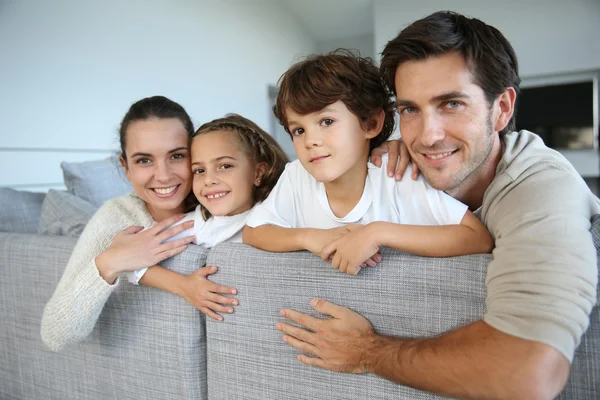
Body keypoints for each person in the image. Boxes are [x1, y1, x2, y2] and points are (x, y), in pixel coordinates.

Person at [275, 11, 600, 400]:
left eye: (451, 104)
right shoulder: (395, 170)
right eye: (410, 109)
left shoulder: (540, 188)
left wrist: (366, 351)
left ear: (502, 109)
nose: (427, 136)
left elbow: (525, 374)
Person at [41, 97, 285, 350]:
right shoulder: (117, 217)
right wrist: (110, 262)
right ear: (125, 166)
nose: (164, 175)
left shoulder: (228, 201)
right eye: (144, 160)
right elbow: (55, 334)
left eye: (177, 156)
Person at [243, 50, 493, 276]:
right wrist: (310, 237)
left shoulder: (395, 174)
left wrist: (377, 232)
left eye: (327, 122)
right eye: (298, 130)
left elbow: (477, 238)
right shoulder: (296, 175)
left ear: (371, 123)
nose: (311, 141)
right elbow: (253, 231)